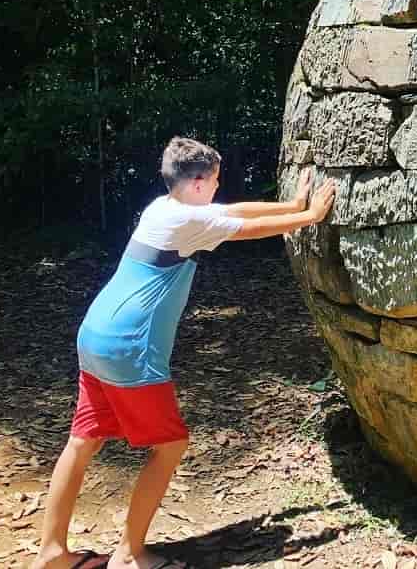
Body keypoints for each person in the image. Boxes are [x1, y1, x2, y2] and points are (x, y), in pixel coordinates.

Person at [32, 136, 336, 569]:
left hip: (95, 335)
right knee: (171, 446)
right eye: (214, 180)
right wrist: (308, 217)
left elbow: (232, 211)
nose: (217, 188)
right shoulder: (187, 223)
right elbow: (247, 229)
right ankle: (130, 554)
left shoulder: (165, 207)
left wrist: (292, 206)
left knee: (82, 443)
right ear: (196, 183)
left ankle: (53, 554)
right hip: (128, 347)